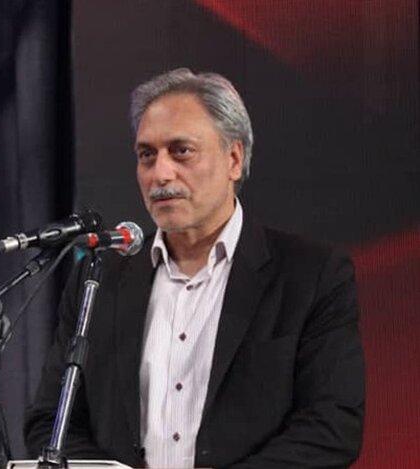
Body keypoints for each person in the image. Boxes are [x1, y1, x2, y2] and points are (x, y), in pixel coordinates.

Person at [25, 69, 365, 468]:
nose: (160, 174)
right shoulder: (99, 276)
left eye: (181, 151)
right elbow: (52, 423)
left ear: (233, 159)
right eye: (147, 155)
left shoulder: (310, 275)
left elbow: (331, 427)